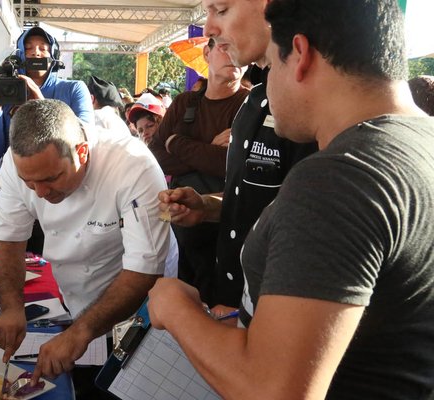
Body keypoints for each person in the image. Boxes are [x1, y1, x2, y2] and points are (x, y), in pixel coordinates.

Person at [148, 1, 434, 398]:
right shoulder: (419, 143)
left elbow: (273, 391)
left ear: (298, 55)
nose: (266, 85)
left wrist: (174, 307)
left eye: (271, 64)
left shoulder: (339, 178)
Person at [0, 100, 171, 386]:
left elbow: (144, 270)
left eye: (51, 179)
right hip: (76, 298)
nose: (39, 193)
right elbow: (9, 238)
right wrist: (12, 306)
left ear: (82, 152)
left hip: (145, 308)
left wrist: (79, 333)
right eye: (29, 182)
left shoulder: (133, 166)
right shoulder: (15, 165)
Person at [161, 0, 318, 309]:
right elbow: (259, 200)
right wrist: (206, 205)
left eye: (220, 9)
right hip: (227, 297)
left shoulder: (305, 110)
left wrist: (177, 313)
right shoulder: (254, 105)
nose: (208, 28)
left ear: (268, 6)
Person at [148, 38, 248, 304]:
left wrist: (177, 143)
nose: (234, 56)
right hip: (178, 228)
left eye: (240, 48)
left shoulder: (250, 108)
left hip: (225, 235)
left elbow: (235, 165)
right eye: (226, 47)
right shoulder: (184, 103)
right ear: (207, 53)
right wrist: (208, 150)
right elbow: (156, 157)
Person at [0, 26, 93, 165]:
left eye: (43, 48)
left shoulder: (74, 89)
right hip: (17, 182)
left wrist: (40, 101)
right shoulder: (7, 92)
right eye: (28, 48)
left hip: (62, 178)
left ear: (54, 56)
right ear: (19, 55)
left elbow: (86, 139)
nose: (35, 53)